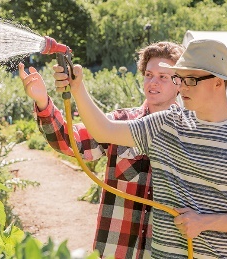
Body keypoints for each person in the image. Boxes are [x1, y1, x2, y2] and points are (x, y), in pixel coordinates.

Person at [52, 39, 227, 258]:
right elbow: (105, 130)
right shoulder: (166, 124)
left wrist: (206, 222)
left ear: (218, 83)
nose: (182, 87)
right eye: (179, 79)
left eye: (190, 80)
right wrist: (78, 88)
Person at [19, 41, 185, 258]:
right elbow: (71, 142)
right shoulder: (119, 123)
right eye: (148, 74)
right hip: (116, 250)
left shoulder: (189, 134)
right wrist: (43, 102)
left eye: (163, 77)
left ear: (180, 83)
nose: (153, 82)